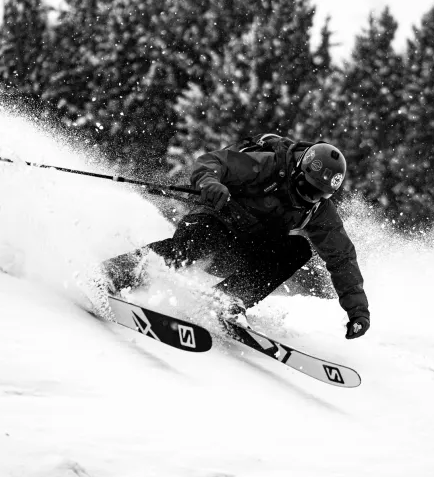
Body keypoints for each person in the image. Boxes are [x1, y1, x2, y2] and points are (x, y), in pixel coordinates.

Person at [100, 134, 370, 340]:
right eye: (305, 188)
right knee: (200, 241)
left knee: (298, 249)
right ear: (298, 170)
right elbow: (214, 162)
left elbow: (342, 257)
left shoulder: (318, 210)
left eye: (317, 194)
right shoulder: (269, 165)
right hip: (212, 222)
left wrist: (358, 311)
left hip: (240, 250)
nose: (307, 197)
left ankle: (227, 300)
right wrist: (210, 183)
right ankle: (116, 271)